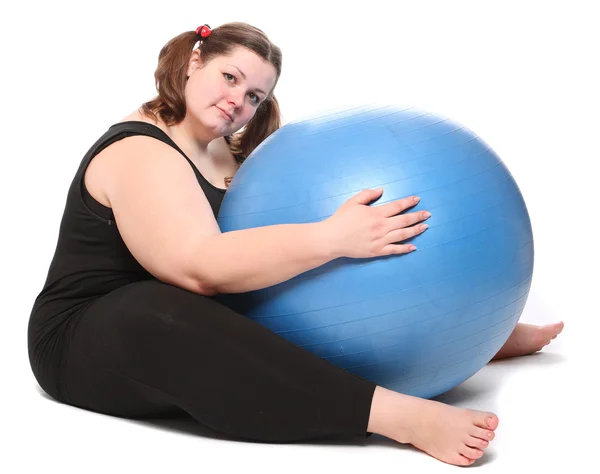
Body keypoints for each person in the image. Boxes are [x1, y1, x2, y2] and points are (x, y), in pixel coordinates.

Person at [27, 21, 564, 467]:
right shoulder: (140, 151)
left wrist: (472, 321)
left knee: (271, 279)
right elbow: (198, 268)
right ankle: (397, 418)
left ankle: (475, 336)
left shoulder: (230, 157)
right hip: (90, 334)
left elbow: (264, 258)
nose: (238, 101)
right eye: (229, 77)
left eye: (254, 95)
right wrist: (332, 236)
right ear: (194, 61)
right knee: (156, 309)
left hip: (203, 317)